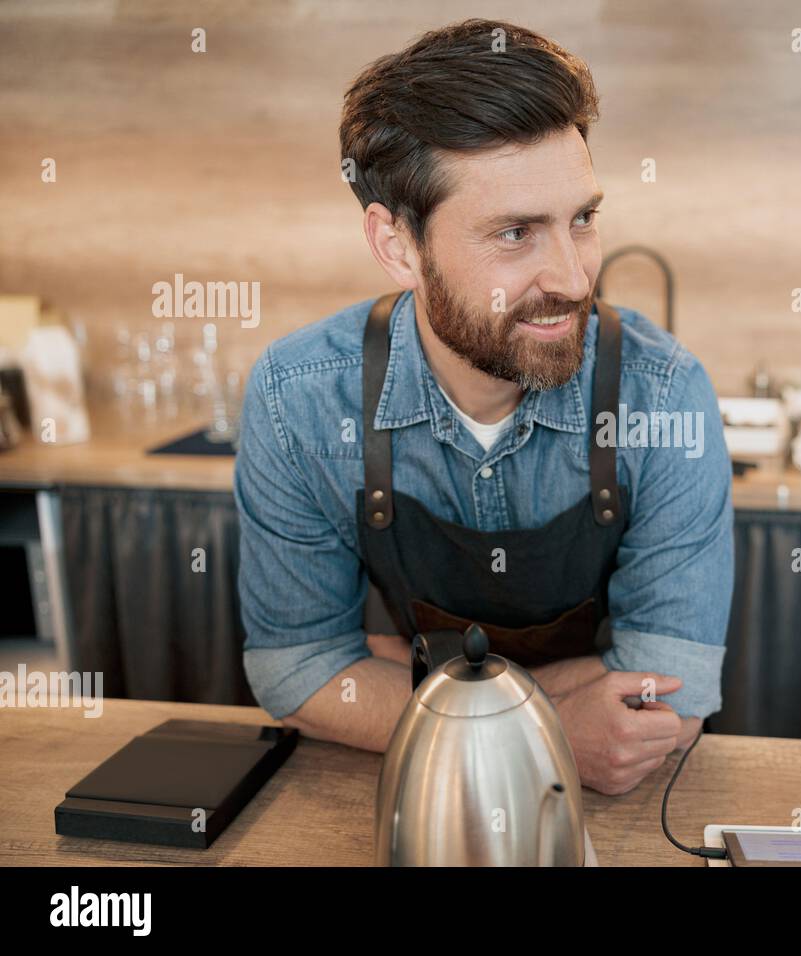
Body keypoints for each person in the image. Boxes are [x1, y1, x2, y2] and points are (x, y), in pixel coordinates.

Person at [234, 19, 734, 796]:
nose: (571, 276)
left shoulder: (664, 395)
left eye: (583, 219)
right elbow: (297, 674)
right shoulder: (296, 400)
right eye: (514, 233)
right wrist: (557, 724)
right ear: (398, 246)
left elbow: (671, 697)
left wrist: (396, 670)